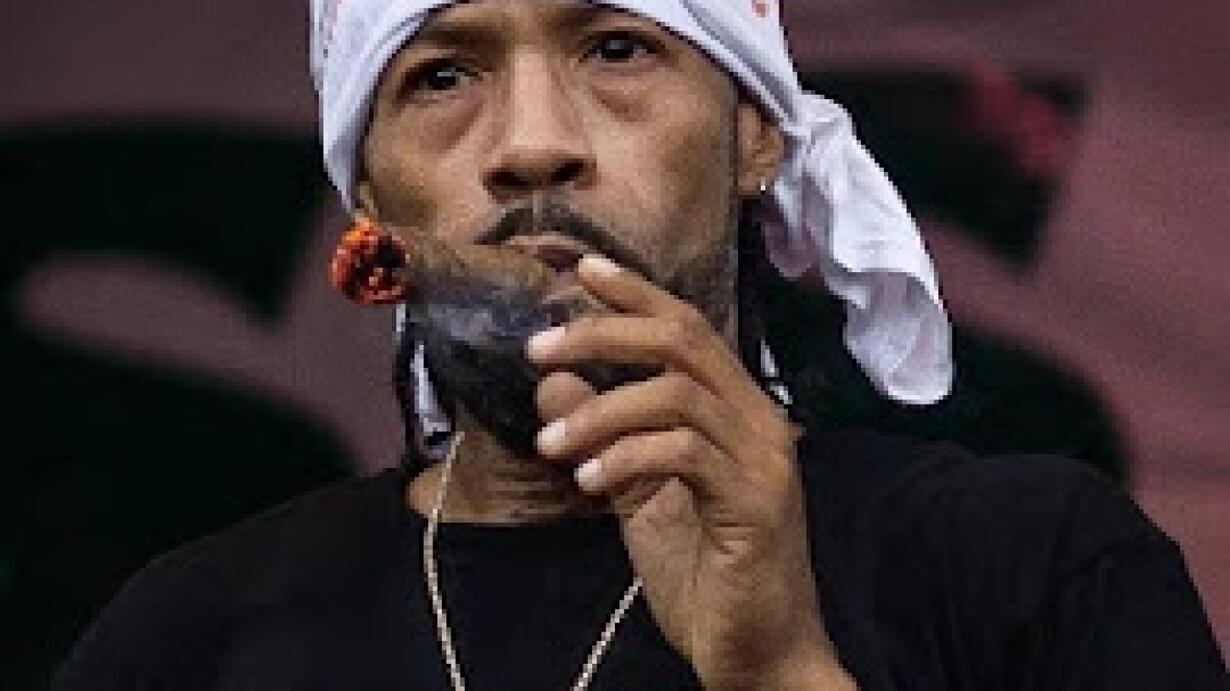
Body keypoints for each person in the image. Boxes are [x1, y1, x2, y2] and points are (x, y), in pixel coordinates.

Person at [55, 1, 1227, 689]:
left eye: (616, 48)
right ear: (370, 189)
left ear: (755, 132)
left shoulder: (1035, 572)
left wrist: (780, 670)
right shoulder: (188, 638)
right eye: (442, 74)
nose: (532, 145)